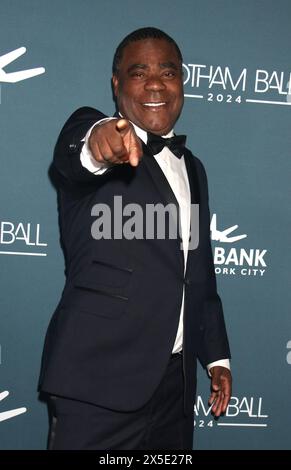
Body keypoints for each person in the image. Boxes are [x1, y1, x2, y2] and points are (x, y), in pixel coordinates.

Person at [39, 27, 232, 450]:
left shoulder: (194, 168)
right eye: (139, 72)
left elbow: (199, 273)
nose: (156, 84)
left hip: (174, 392)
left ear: (182, 81)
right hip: (97, 384)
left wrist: (216, 357)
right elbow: (78, 150)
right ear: (116, 85)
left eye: (168, 71)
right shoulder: (98, 135)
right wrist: (99, 143)